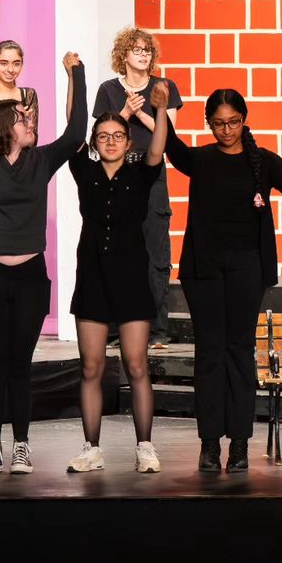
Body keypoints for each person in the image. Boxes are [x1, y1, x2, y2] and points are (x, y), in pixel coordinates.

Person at [0, 50, 87, 476]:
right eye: (24, 120)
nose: (32, 123)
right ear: (5, 126)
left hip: (29, 277)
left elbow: (76, 132)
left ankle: (21, 445)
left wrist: (76, 74)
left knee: (20, 366)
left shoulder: (40, 160)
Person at [165, 88, 282, 473]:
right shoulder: (203, 159)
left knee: (240, 352)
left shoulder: (263, 161)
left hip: (247, 268)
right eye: (218, 123)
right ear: (208, 123)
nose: (226, 130)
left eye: (233, 122)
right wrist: (161, 108)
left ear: (245, 120)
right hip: (204, 268)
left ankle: (241, 443)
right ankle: (210, 444)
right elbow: (172, 148)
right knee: (210, 353)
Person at [65, 82, 171, 474]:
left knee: (137, 364)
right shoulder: (84, 170)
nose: (111, 141)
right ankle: (91, 447)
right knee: (91, 367)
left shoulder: (141, 174)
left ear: (128, 142)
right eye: (104, 136)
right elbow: (73, 128)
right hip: (92, 278)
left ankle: (145, 446)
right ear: (95, 142)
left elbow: (158, 147)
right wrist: (77, 78)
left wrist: (159, 111)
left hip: (130, 279)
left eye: (118, 136)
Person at [92, 27, 182, 349]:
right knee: (116, 250)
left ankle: (157, 331)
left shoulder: (163, 87)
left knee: (155, 252)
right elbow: (100, 135)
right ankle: (118, 330)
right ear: (124, 55)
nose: (143, 55)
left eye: (147, 50)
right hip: (118, 171)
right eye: (137, 50)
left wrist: (140, 112)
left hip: (151, 168)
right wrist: (124, 113)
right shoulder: (108, 90)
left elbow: (168, 133)